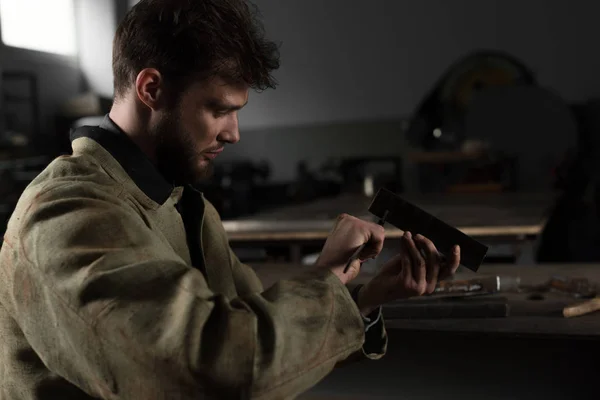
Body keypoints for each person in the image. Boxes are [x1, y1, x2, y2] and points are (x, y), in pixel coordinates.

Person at [0, 0, 461, 398]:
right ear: (151, 89)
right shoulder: (67, 211)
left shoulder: (183, 203)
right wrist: (323, 283)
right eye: (219, 109)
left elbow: (258, 333)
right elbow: (215, 369)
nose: (234, 133)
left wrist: (361, 295)